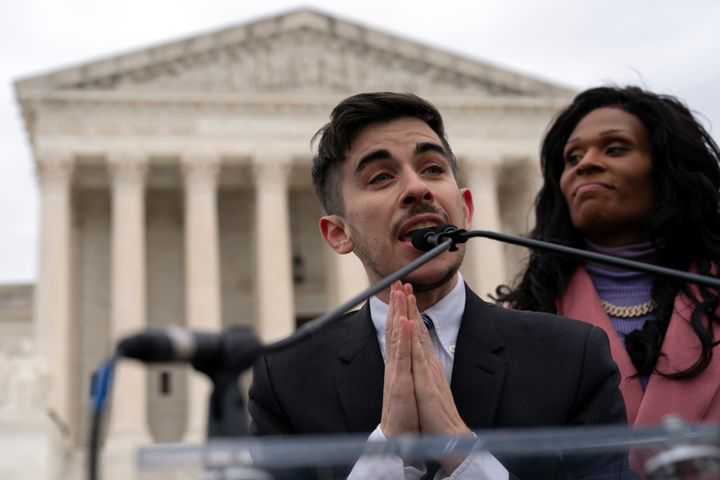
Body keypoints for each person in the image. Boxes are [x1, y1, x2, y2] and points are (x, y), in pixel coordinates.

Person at [249, 92, 630, 479]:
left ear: (465, 208)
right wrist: (387, 451)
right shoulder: (286, 378)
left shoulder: (571, 357)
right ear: (338, 234)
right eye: (381, 177)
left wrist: (459, 450)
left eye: (432, 168)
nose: (417, 188)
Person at [495, 85, 720, 428]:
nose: (586, 164)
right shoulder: (525, 318)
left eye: (615, 149)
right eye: (572, 158)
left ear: (667, 169)